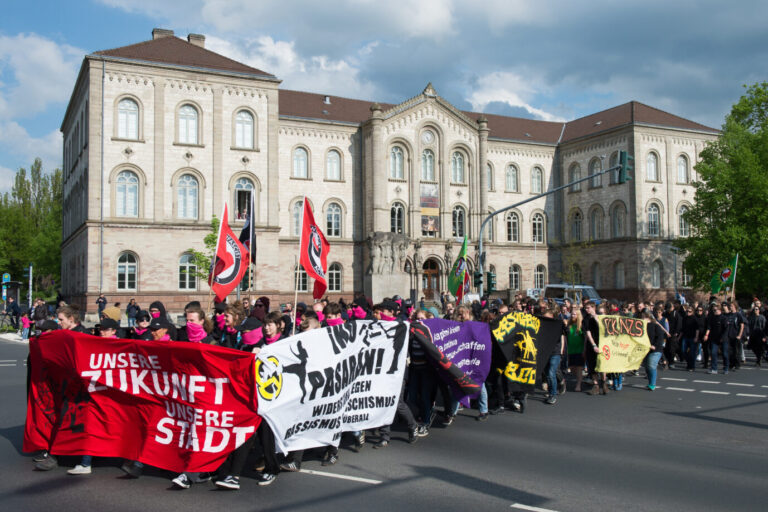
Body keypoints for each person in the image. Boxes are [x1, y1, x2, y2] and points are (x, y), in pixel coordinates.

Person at [67, 318, 121, 476]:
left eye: (105, 329)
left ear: (113, 331)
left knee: (117, 427)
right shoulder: (95, 344)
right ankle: (86, 462)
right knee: (93, 426)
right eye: (101, 329)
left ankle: (123, 458)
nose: (102, 332)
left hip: (113, 395)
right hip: (97, 394)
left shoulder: (120, 346)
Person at [643, 310, 665, 390]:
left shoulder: (655, 326)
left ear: (648, 317)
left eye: (644, 317)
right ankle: (650, 382)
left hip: (655, 350)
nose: (642, 319)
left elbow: (660, 337)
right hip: (646, 349)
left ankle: (652, 384)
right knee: (647, 366)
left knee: (651, 365)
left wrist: (654, 345)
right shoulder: (641, 326)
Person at [704, 303, 727, 374]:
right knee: (713, 353)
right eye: (713, 310)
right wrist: (706, 335)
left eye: (715, 310)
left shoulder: (724, 318)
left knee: (725, 354)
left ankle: (726, 368)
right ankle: (714, 368)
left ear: (720, 310)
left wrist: (723, 337)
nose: (714, 312)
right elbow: (709, 327)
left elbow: (726, 329)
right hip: (714, 338)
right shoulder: (712, 318)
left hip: (723, 339)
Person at [566, 310, 585, 392]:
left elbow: (585, 338)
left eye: (574, 314)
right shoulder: (569, 325)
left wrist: (585, 348)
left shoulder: (581, 325)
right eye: (572, 314)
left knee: (579, 368)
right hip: (571, 349)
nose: (572, 315)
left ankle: (578, 384)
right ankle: (579, 378)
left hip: (579, 349)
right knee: (572, 368)